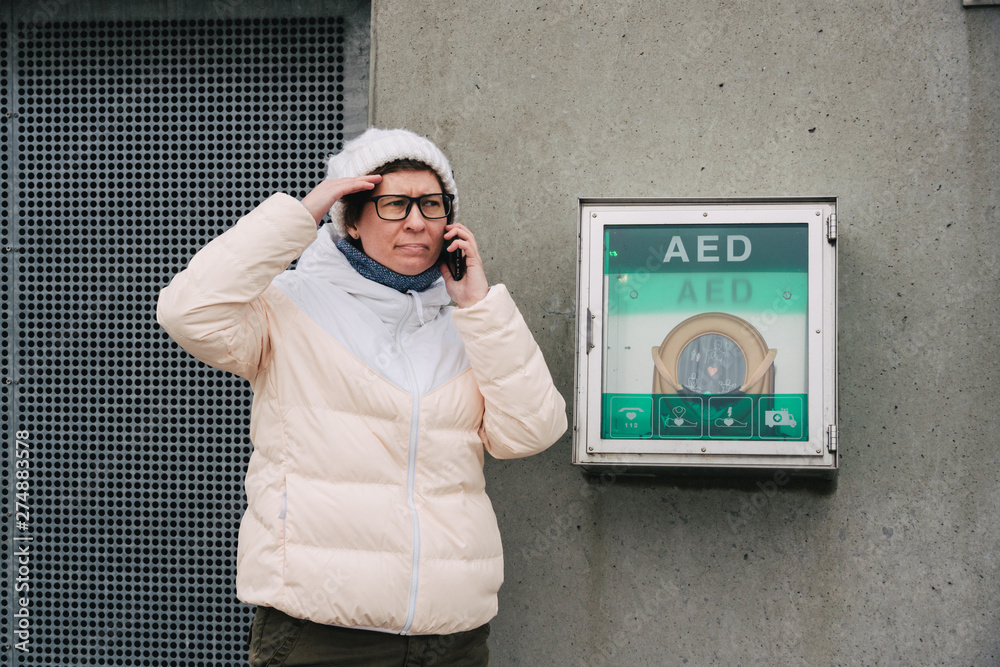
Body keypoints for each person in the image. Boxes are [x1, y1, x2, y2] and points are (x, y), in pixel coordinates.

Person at [156, 128, 567, 666]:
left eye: (431, 205)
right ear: (350, 217)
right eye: (394, 204)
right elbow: (189, 312)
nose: (417, 221)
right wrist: (301, 215)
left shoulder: (470, 324)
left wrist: (478, 304)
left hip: (451, 636)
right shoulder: (289, 307)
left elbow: (531, 432)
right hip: (324, 633)